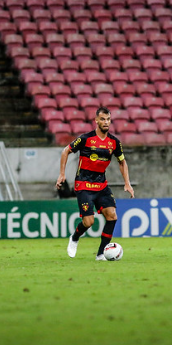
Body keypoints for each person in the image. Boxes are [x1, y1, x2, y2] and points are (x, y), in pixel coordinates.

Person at [56, 106, 134, 260]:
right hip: (84, 184)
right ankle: (75, 237)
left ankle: (100, 254)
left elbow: (122, 162)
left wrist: (127, 183)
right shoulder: (85, 139)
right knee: (88, 221)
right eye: (103, 119)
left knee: (112, 216)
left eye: (108, 119)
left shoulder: (114, 142)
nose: (106, 122)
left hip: (101, 184)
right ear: (96, 120)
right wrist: (62, 175)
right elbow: (66, 151)